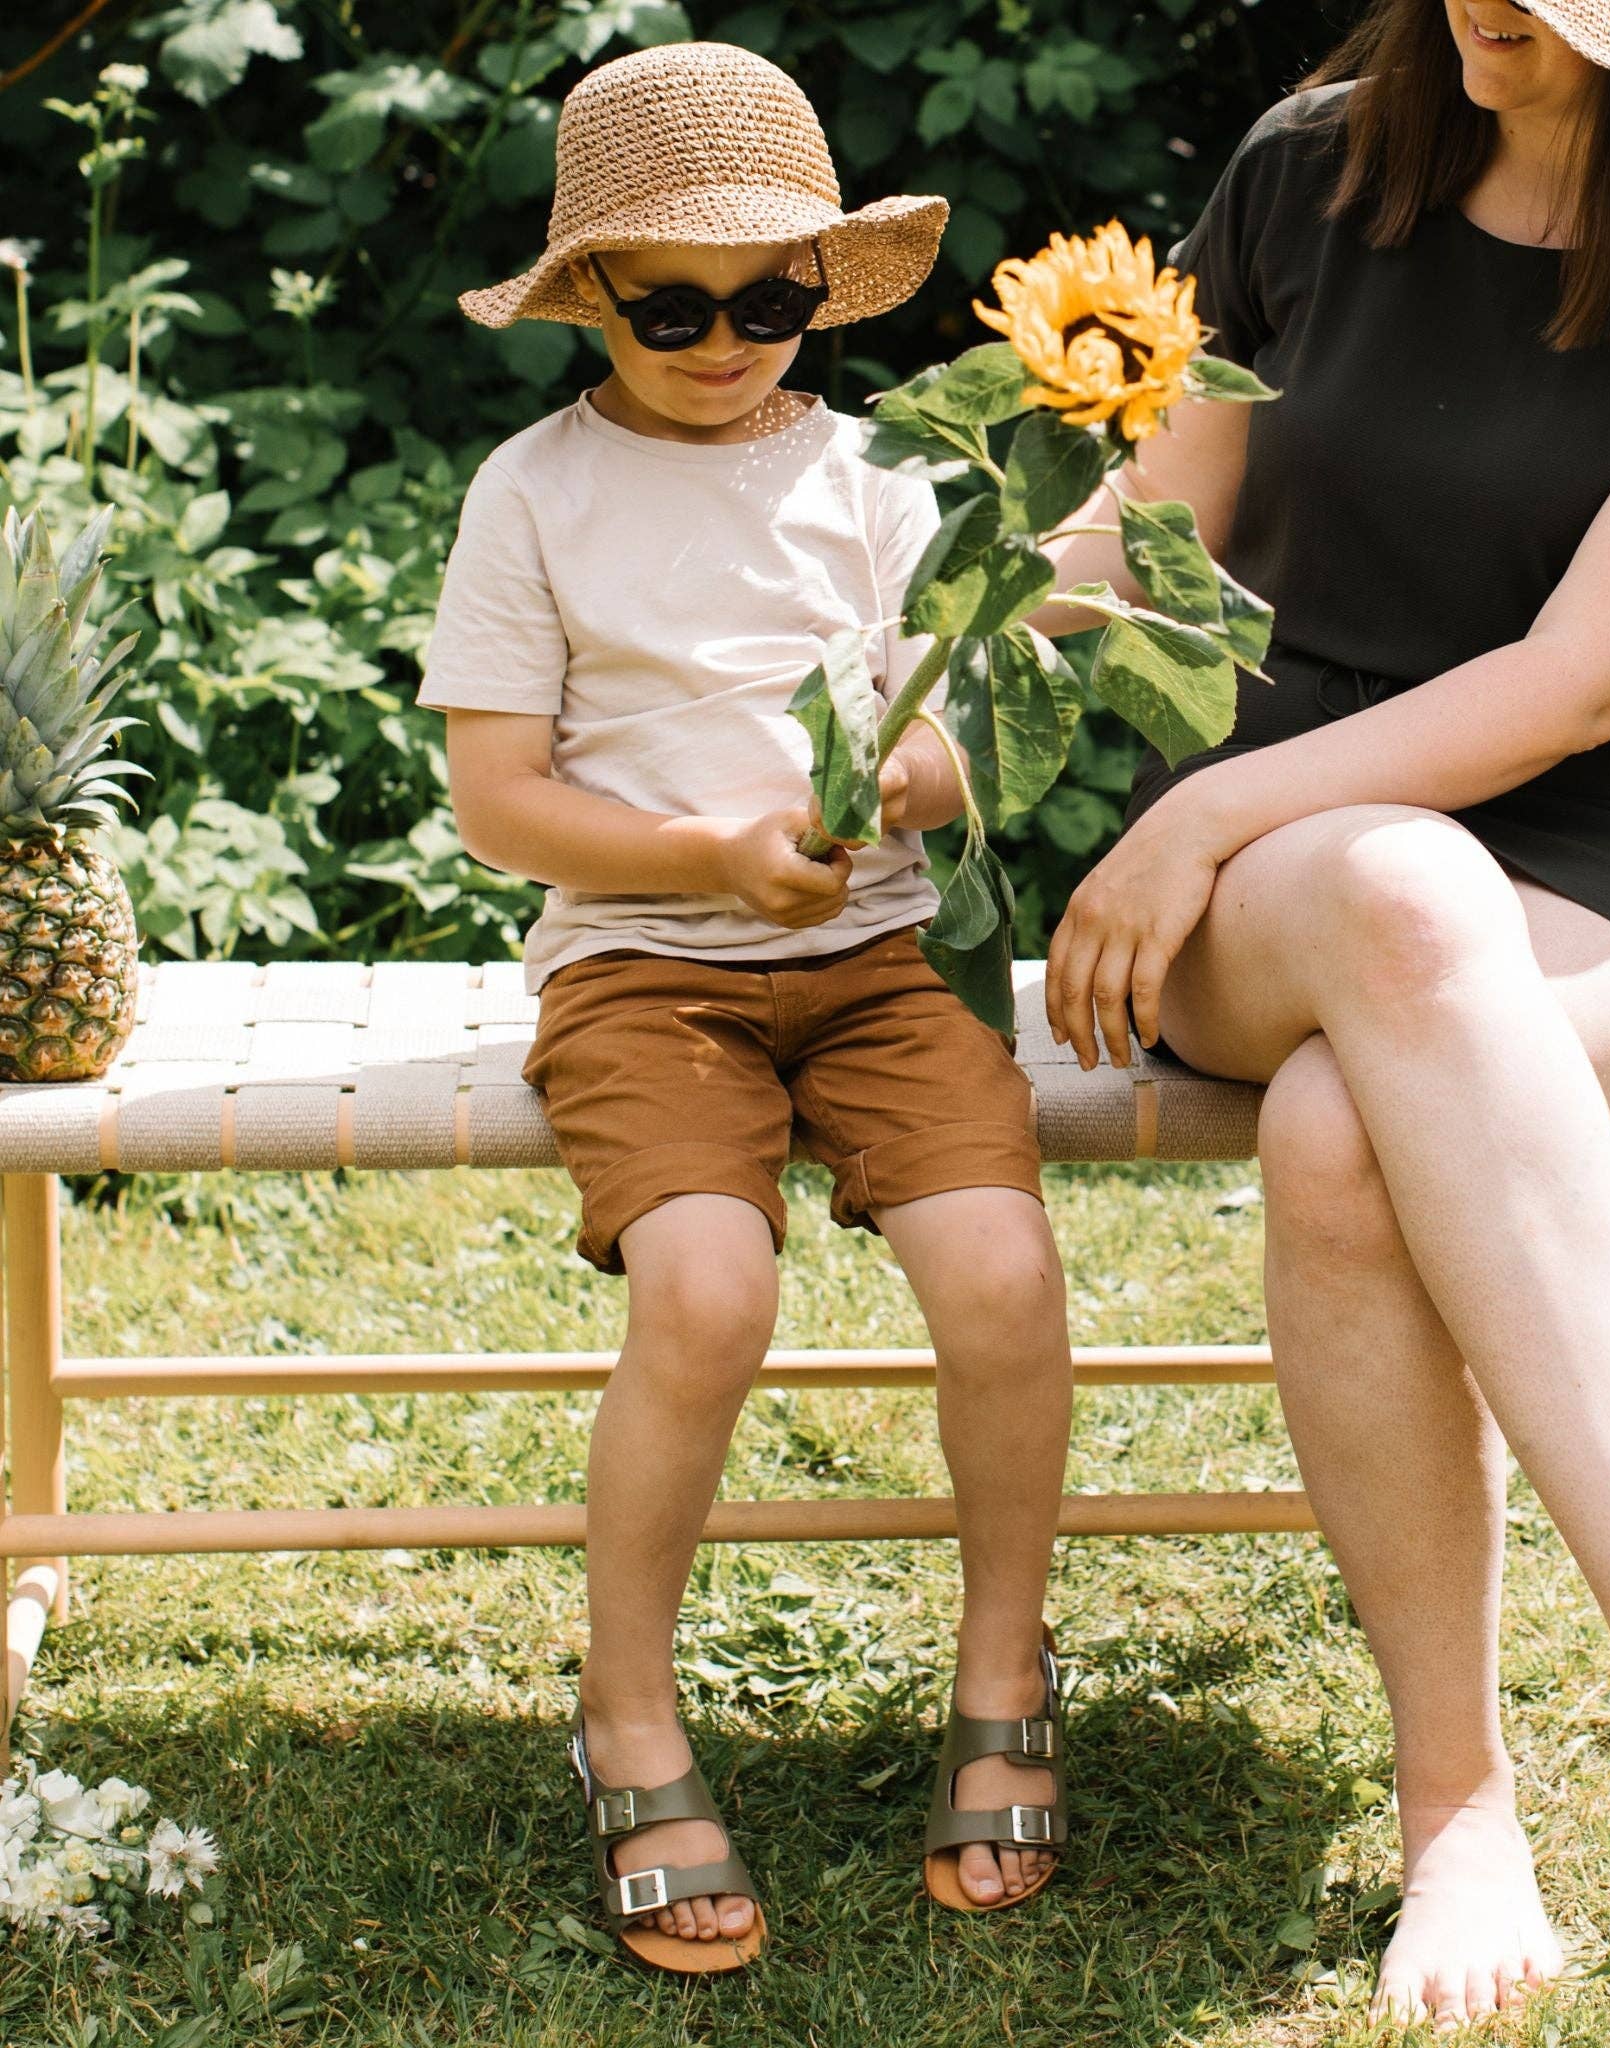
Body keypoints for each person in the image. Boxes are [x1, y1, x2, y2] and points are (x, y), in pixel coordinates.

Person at [1035, 0, 1610, 2025]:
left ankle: (1462, 1806)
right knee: (1405, 896)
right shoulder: (1310, 169)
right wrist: (933, 671)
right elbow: (1160, 538)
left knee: (1353, 1123)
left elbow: (1587, 686)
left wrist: (1207, 805)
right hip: (1284, 885)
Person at [419, 41, 1073, 1973]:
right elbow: (496, 800)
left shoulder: (878, 472)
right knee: (708, 1288)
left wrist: (880, 792)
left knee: (1001, 1278)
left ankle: (1004, 1659)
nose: (729, 341)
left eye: (771, 298)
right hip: (642, 964)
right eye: (677, 307)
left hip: (879, 955)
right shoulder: (534, 492)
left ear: (823, 280)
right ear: (589, 298)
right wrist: (703, 852)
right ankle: (627, 1704)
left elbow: (975, 733)